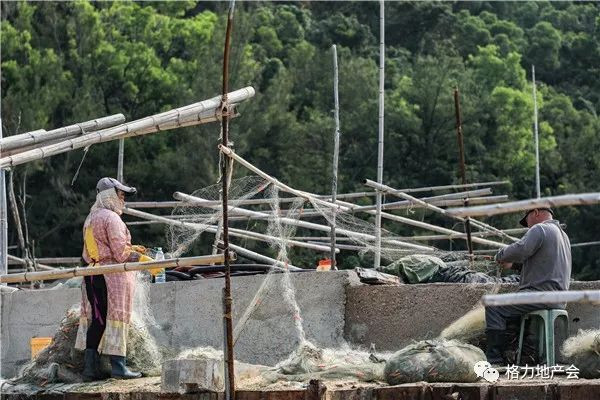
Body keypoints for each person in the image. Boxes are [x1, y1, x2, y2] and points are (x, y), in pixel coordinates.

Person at [74, 177, 147, 380]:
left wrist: (131, 248)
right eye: (121, 195)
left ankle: (90, 369)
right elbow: (119, 252)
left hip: (92, 274)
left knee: (98, 320)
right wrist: (140, 257)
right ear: (110, 196)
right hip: (111, 276)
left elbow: (92, 251)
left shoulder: (90, 218)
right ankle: (118, 366)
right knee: (117, 316)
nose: (122, 200)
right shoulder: (112, 218)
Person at [485, 208, 571, 365]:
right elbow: (542, 265)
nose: (528, 227)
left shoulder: (540, 228)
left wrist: (501, 254)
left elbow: (522, 248)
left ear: (536, 212)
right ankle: (523, 355)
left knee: (493, 305)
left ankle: (494, 360)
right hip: (559, 298)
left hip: (540, 295)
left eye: (527, 221)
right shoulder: (563, 236)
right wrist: (513, 265)